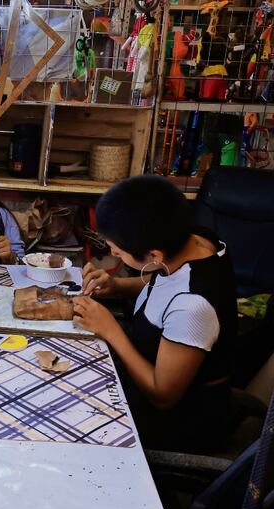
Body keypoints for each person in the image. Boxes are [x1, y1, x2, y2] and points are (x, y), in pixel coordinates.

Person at [72, 175, 237, 452]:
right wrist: (117, 286)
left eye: (117, 252)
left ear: (154, 255)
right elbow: (163, 284)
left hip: (177, 423)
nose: (115, 256)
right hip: (143, 376)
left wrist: (110, 330)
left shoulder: (192, 307)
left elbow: (163, 396)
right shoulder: (197, 241)